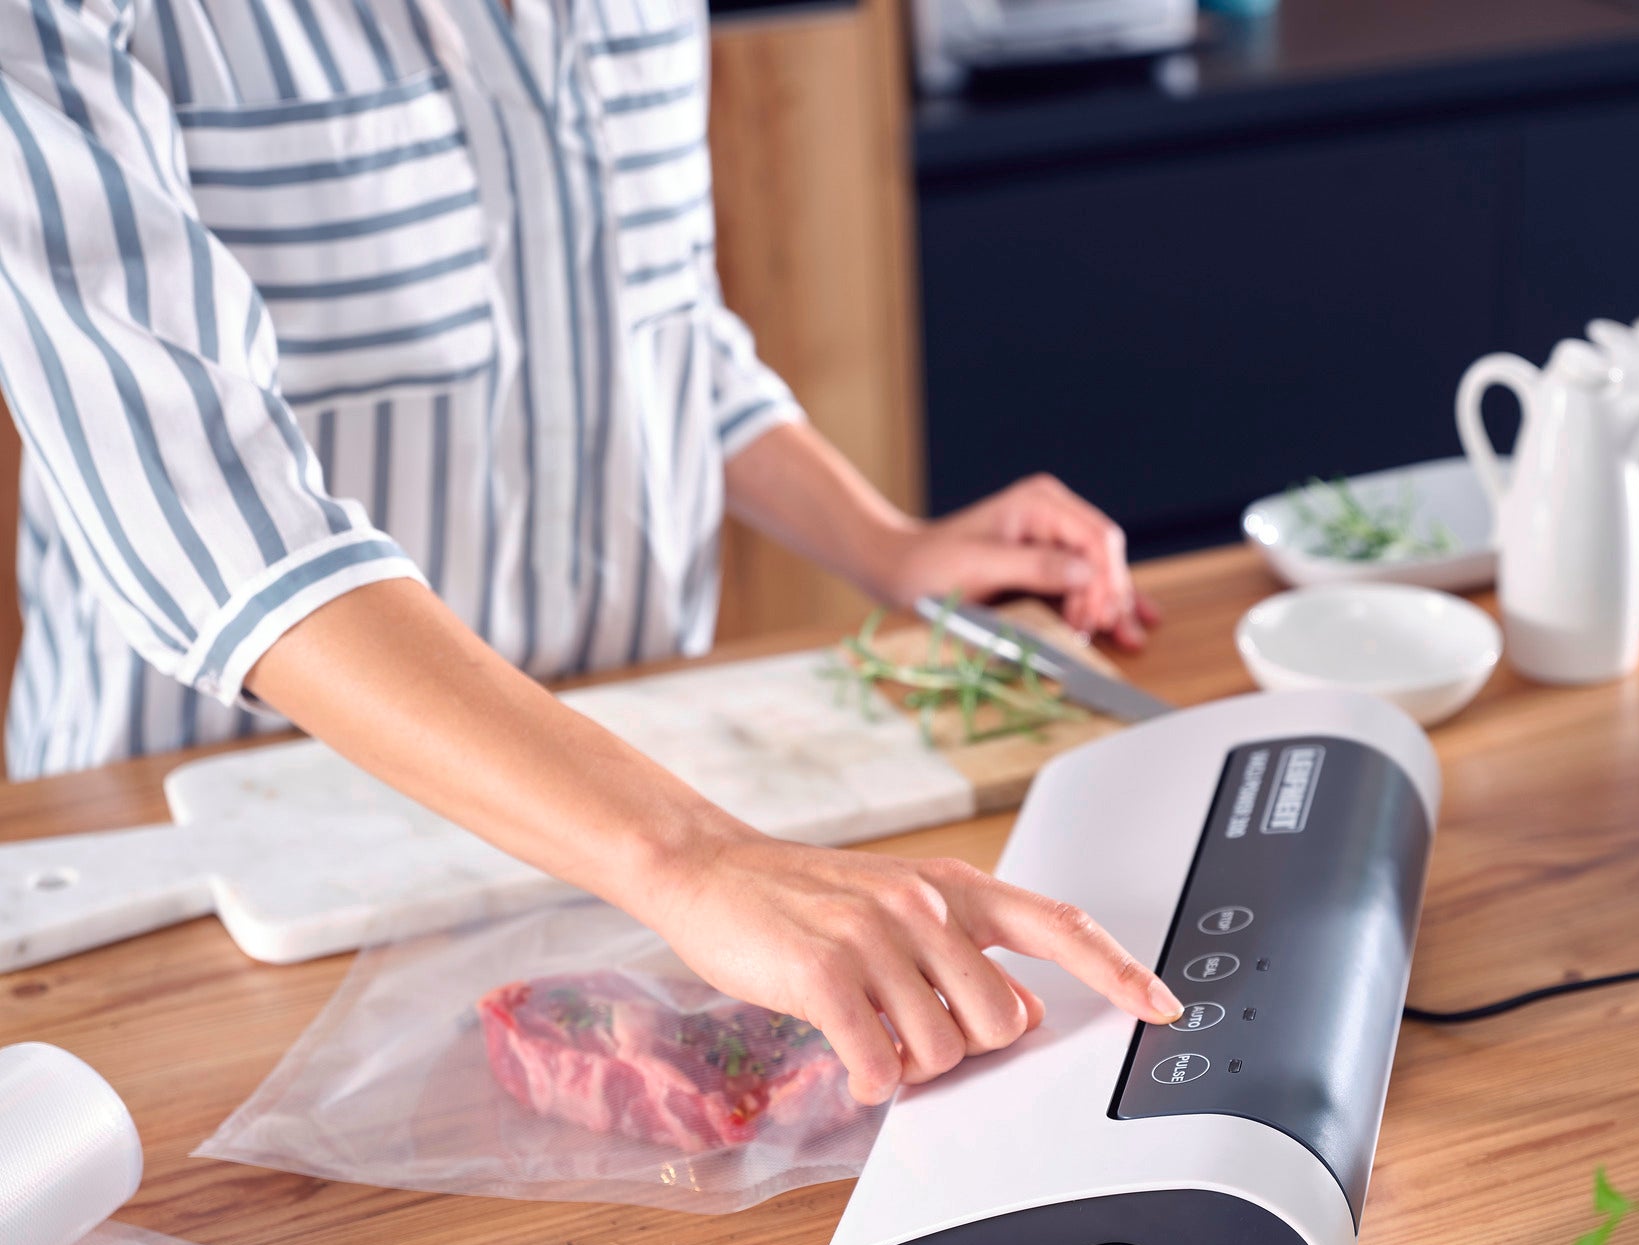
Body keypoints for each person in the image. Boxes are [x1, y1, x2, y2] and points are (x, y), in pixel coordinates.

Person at [0, 0, 1183, 1103]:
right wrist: (694, 857)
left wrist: (881, 543)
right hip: (194, 875)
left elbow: (660, 322)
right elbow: (204, 508)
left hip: (624, 805)